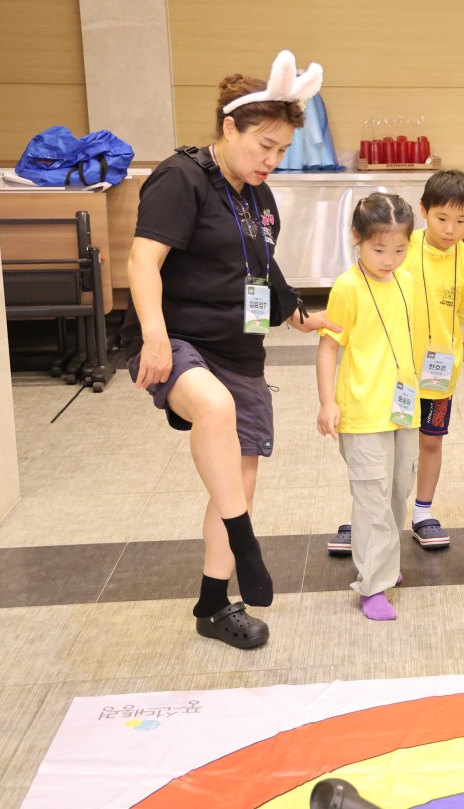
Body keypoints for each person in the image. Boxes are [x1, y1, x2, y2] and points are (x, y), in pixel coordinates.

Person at [122, 52, 336, 649]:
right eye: (264, 145)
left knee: (237, 478)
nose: (272, 160)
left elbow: (261, 268)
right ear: (228, 127)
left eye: (281, 150)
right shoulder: (181, 178)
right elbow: (142, 260)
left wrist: (298, 313)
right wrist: (155, 337)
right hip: (179, 340)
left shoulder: (258, 196)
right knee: (213, 409)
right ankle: (247, 543)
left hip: (238, 349)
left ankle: (214, 604)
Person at [316, 194, 418, 621]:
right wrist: (327, 402)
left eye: (400, 249)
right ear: (357, 238)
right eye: (379, 250)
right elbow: (328, 347)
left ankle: (384, 564)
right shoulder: (347, 286)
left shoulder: (406, 280)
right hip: (361, 411)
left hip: (402, 409)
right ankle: (372, 584)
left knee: (397, 492)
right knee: (372, 499)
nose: (389, 260)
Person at [405, 171, 464, 546]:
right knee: (390, 442)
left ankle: (423, 512)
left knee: (431, 441)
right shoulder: (402, 246)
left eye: (461, 221)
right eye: (441, 218)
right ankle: (376, 512)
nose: (451, 229)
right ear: (423, 210)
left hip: (439, 373)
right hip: (397, 371)